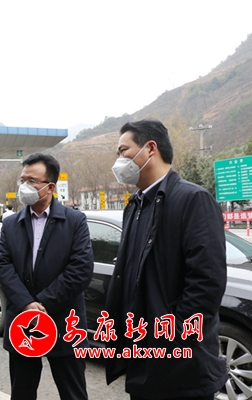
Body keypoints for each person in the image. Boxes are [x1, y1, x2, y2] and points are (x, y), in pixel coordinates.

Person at [105, 119, 227, 400]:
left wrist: (171, 336)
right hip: (143, 358)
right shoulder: (134, 205)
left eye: (123, 150)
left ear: (150, 148)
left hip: (180, 366)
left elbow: (207, 283)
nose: (118, 160)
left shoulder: (193, 199)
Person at [0, 152, 93, 400]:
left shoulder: (74, 221)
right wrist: (26, 304)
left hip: (64, 322)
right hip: (23, 323)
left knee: (73, 392)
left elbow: (80, 269)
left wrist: (42, 304)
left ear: (50, 187)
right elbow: (4, 266)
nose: (24, 186)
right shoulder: (11, 224)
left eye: (32, 181)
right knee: (22, 391)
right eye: (22, 180)